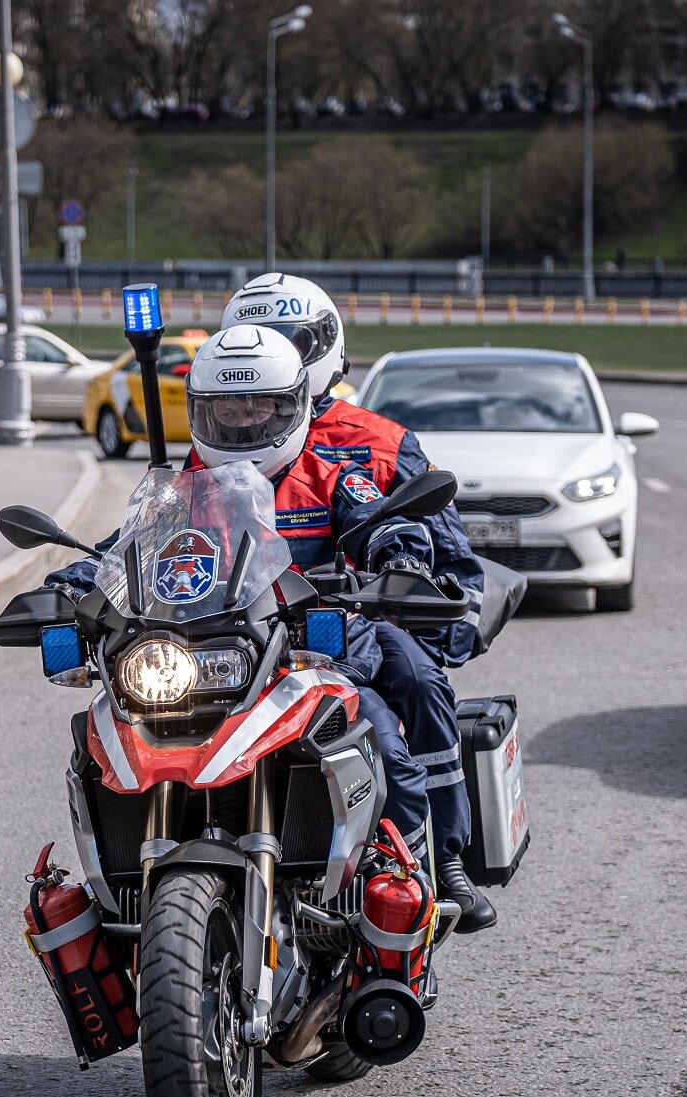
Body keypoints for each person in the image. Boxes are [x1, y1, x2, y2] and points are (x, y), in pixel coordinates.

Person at [47, 324, 442, 856]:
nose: (240, 422)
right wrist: (68, 584)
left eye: (257, 408)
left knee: (387, 742)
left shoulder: (332, 477)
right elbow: (123, 549)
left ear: (292, 407)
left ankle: (422, 864)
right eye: (225, 410)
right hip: (214, 657)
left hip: (315, 652)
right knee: (118, 734)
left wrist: (401, 555)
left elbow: (379, 521)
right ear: (201, 412)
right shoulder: (183, 493)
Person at [220, 273, 495, 932]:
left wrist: (419, 595)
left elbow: (436, 551)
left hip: (353, 622)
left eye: (293, 340)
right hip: (240, 631)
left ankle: (439, 859)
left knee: (417, 683)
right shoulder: (220, 447)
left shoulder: (376, 443)